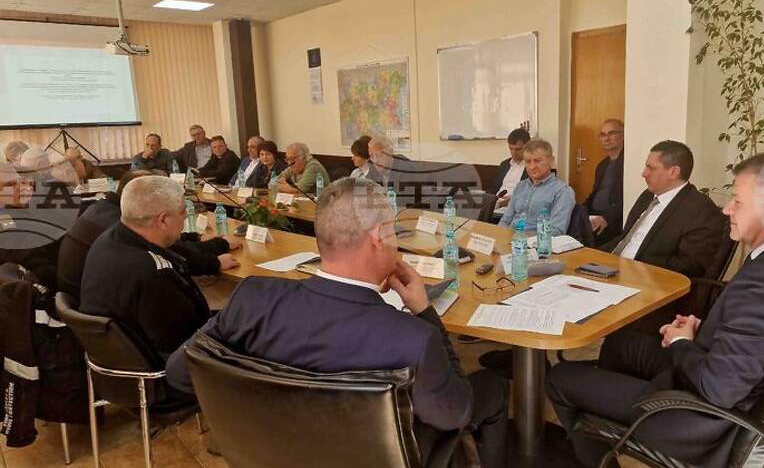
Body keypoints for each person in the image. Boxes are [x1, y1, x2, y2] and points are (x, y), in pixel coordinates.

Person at [166, 178, 508, 467]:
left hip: (268, 454)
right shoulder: (413, 338)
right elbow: (453, 413)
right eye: (394, 232)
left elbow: (180, 371)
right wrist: (425, 313)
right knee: (491, 386)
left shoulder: (252, 298)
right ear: (378, 237)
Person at [546, 150, 764, 468]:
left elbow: (719, 389)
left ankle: (605, 439)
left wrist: (681, 343)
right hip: (715, 376)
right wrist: (704, 331)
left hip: (701, 421)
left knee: (560, 377)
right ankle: (605, 424)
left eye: (738, 201)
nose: (726, 209)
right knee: (619, 345)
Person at [80, 176, 238, 361]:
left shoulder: (109, 240)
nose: (185, 217)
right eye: (183, 211)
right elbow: (186, 340)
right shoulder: (152, 272)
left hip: (125, 353)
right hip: (177, 364)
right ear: (162, 220)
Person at [58, 170, 241, 297]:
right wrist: (216, 258)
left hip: (93, 302)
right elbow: (173, 252)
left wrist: (194, 237)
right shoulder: (119, 226)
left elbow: (168, 242)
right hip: (91, 304)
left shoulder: (106, 210)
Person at [601, 140, 725, 279]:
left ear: (673, 172)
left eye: (651, 168)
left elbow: (688, 266)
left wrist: (629, 268)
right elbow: (625, 238)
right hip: (611, 269)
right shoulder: (648, 195)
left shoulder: (701, 211)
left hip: (647, 280)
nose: (644, 173)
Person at [499, 139, 575, 234]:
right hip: (509, 238)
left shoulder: (562, 191)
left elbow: (556, 231)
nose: (532, 167)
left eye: (537, 161)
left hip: (535, 241)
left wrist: (521, 238)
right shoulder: (520, 186)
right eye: (528, 162)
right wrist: (499, 236)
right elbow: (505, 220)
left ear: (551, 161)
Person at [582, 119, 625, 247]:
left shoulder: (628, 163)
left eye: (611, 133)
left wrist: (607, 218)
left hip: (613, 220)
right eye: (603, 134)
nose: (606, 138)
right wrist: (579, 211)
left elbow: (628, 198)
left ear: (623, 135)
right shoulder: (602, 165)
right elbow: (595, 193)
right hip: (594, 214)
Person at [491, 128, 530, 219]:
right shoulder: (504, 164)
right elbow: (494, 188)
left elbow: (534, 194)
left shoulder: (532, 167)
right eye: (511, 148)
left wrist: (514, 200)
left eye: (518, 149)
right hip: (496, 205)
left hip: (516, 210)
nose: (514, 153)